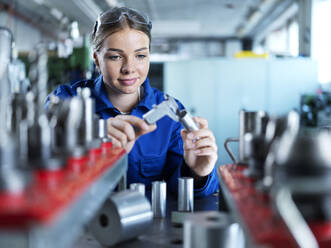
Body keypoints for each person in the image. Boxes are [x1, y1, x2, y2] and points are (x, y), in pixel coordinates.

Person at [48, 7, 219, 197]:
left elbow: (179, 194)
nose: (129, 68)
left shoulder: (170, 114)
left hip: (149, 222)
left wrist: (197, 172)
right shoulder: (65, 101)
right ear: (96, 58)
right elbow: (35, 162)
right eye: (115, 56)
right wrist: (86, 139)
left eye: (140, 56)